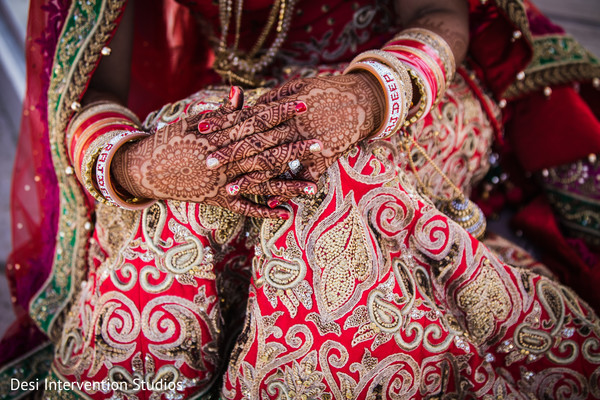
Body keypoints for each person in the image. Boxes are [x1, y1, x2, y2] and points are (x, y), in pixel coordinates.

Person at [1, 0, 600, 399]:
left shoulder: (378, 88)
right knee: (208, 148)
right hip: (244, 95)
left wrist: (365, 100)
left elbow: (440, 14)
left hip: (404, 77)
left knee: (315, 169)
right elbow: (89, 87)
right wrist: (141, 166)